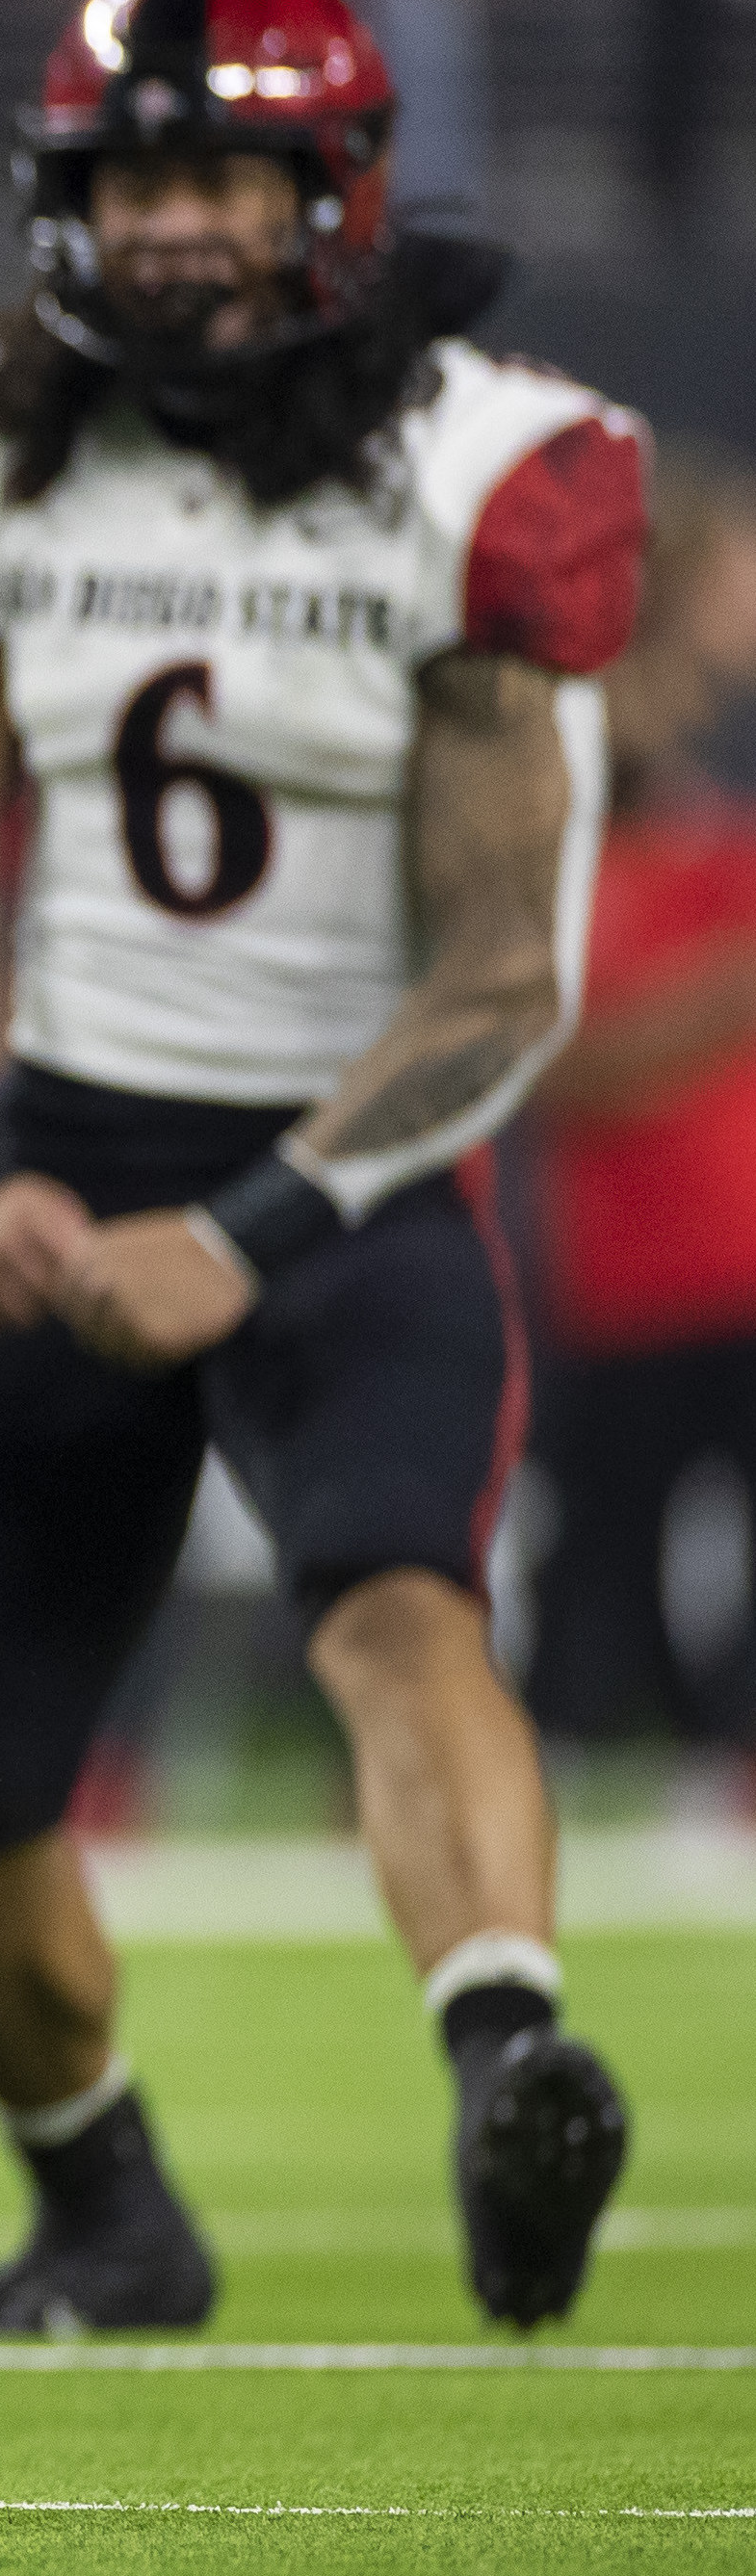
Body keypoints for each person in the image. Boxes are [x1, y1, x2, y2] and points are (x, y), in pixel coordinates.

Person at [0, 0, 643, 2340]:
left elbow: (503, 973)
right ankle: (101, 2210)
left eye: (221, 174)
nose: (170, 224)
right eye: (131, 176)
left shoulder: (490, 462)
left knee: (396, 1601)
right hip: (66, 1153)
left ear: (334, 191)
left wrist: (253, 1226)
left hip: (348, 1167)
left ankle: (505, 2053)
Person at [525, 450, 756, 1760]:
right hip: (635, 1263)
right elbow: (560, 1048)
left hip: (720, 1241)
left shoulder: (693, 789)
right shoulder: (581, 779)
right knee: (602, 1564)